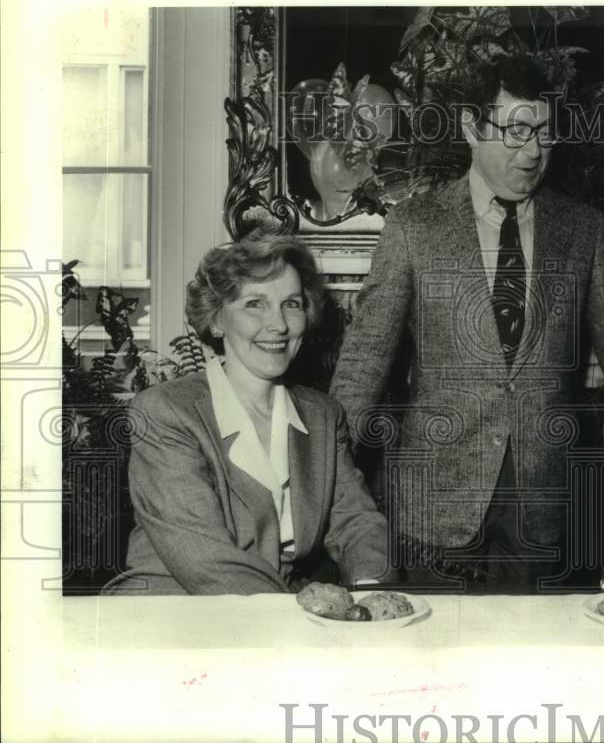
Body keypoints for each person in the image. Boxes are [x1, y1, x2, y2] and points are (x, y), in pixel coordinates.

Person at [331, 55, 604, 592]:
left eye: (545, 134)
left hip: (543, 507)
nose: (533, 152)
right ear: (470, 127)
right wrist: (326, 465)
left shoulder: (581, 228)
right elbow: (366, 356)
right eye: (515, 131)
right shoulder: (414, 226)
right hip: (432, 504)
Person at [104, 234, 390, 595]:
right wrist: (300, 617)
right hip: (173, 612)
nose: (280, 324)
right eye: (255, 304)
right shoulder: (164, 412)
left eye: (291, 304)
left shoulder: (323, 415)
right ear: (218, 320)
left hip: (278, 616)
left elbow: (357, 522)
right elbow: (203, 557)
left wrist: (369, 595)